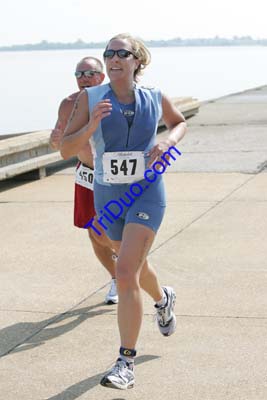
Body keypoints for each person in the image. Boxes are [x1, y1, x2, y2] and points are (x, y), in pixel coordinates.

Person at [60, 33, 187, 390]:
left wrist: (168, 142)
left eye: (122, 53)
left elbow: (180, 122)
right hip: (108, 196)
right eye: (109, 53)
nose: (114, 58)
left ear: (137, 61)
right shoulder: (90, 98)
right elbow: (65, 148)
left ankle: (125, 363)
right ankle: (163, 298)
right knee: (136, 266)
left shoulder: (153, 97)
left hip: (146, 192)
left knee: (126, 270)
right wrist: (91, 126)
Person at [49, 56, 118, 304]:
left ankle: (127, 261)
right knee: (93, 232)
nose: (84, 78)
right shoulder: (68, 104)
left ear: (102, 76)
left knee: (105, 229)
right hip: (85, 173)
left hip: (111, 174)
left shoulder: (114, 99)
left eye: (90, 73)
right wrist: (55, 140)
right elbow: (57, 139)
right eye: (79, 74)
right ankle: (117, 278)